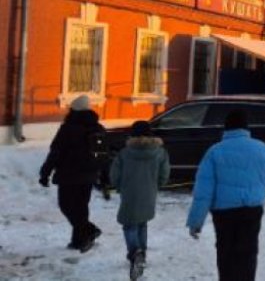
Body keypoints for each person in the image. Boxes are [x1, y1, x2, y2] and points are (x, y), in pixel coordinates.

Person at [186, 110, 265, 281]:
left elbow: (203, 191)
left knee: (225, 254)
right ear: (246, 128)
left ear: (226, 129)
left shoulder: (214, 151)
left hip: (224, 213)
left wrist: (196, 222)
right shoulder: (261, 148)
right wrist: (257, 193)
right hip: (252, 210)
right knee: (248, 253)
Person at [39, 94, 106, 252]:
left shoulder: (68, 128)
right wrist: (102, 175)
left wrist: (45, 173)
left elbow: (55, 152)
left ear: (73, 110)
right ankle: (78, 241)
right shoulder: (98, 128)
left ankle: (89, 230)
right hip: (88, 175)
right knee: (81, 207)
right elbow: (103, 154)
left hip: (69, 175)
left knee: (67, 206)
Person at [110, 120, 170, 279]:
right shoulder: (160, 152)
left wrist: (118, 186)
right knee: (142, 223)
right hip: (149, 193)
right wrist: (157, 185)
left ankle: (135, 253)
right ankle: (142, 253)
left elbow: (114, 174)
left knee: (129, 225)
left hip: (129, 193)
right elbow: (165, 173)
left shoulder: (124, 153)